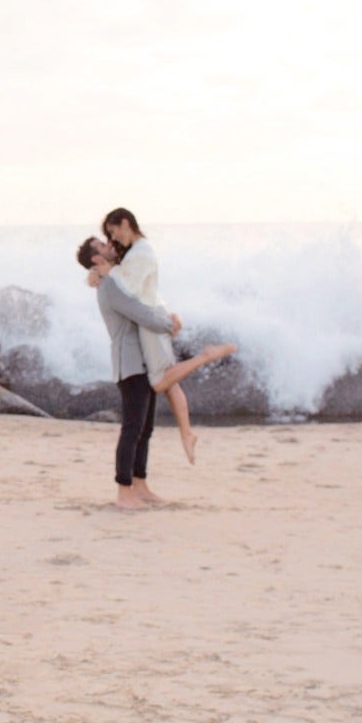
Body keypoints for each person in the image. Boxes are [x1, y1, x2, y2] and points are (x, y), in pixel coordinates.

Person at [76, 236, 227, 510]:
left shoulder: (113, 277)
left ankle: (140, 486)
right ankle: (124, 492)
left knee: (145, 430)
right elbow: (139, 313)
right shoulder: (109, 286)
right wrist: (168, 325)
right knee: (132, 429)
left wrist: (168, 318)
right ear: (96, 259)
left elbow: (140, 291)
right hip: (129, 364)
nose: (110, 246)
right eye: (103, 246)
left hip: (142, 361)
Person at [101, 208, 234, 463]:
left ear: (125, 223)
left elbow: (130, 287)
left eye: (114, 230)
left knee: (161, 381)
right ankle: (186, 434)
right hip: (154, 316)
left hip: (152, 322)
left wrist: (107, 272)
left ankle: (206, 356)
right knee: (169, 381)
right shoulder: (138, 252)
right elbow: (141, 287)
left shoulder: (142, 251)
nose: (114, 238)